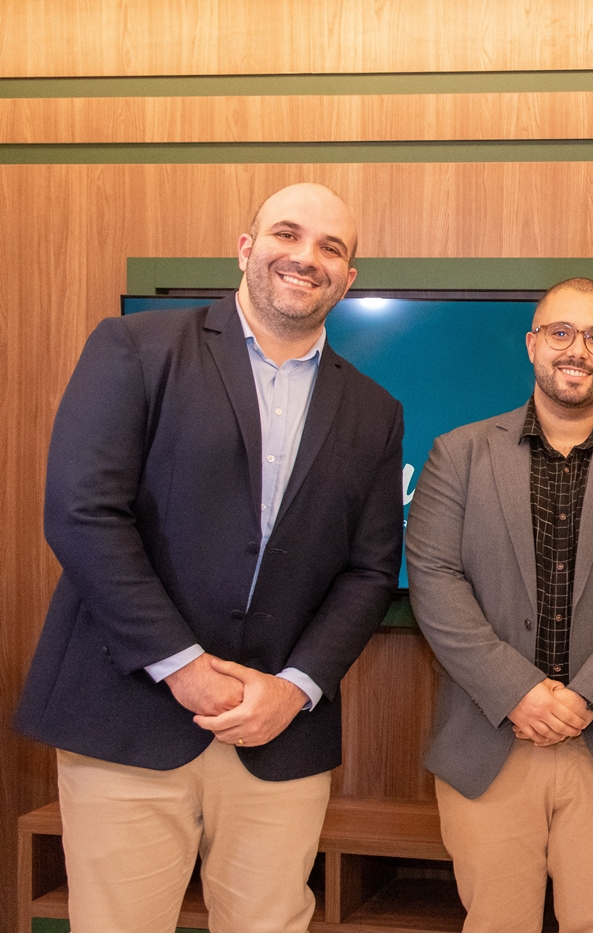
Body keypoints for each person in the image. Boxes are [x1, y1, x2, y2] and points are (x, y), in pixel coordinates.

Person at [15, 183, 405, 933]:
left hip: (279, 734)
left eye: (330, 248)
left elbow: (369, 571)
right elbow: (83, 514)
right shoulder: (136, 346)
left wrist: (294, 690)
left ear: (348, 277)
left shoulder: (375, 410)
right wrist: (184, 666)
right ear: (246, 247)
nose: (306, 256)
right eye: (287, 234)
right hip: (127, 718)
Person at [405, 277, 593, 933]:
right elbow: (434, 579)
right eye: (562, 332)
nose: (577, 350)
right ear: (532, 343)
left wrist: (586, 697)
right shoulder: (458, 454)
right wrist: (517, 692)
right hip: (490, 740)